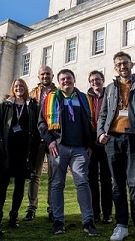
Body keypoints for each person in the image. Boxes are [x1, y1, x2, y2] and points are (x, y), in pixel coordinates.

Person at [97, 52, 135, 241]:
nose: (122, 66)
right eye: (118, 64)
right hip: (113, 139)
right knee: (117, 185)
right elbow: (103, 113)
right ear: (115, 67)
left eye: (125, 63)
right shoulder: (109, 88)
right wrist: (100, 133)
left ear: (131, 64)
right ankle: (121, 225)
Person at [38, 69, 100, 236]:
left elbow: (91, 123)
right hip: (59, 147)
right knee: (58, 184)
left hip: (80, 148)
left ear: (74, 79)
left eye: (69, 78)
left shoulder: (84, 98)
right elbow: (42, 124)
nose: (66, 81)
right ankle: (58, 221)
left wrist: (89, 144)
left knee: (82, 182)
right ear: (59, 82)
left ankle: (88, 221)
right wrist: (50, 141)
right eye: (63, 79)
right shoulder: (50, 99)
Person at [0, 79, 41, 229]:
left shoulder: (32, 106)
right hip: (8, 151)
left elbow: (36, 127)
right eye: (16, 86)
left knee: (19, 185)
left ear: (25, 88)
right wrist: (0, 145)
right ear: (13, 88)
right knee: (3, 185)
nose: (19, 88)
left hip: (24, 152)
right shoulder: (6, 105)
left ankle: (14, 216)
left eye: (21, 86)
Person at [24, 65, 57, 222]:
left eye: (48, 74)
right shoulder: (32, 94)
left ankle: (52, 208)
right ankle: (31, 208)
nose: (45, 76)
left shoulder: (58, 93)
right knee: (34, 175)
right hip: (36, 140)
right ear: (38, 77)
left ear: (52, 75)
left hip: (53, 139)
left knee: (53, 175)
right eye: (42, 74)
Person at [87, 70, 113, 224]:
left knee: (106, 180)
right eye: (92, 80)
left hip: (107, 142)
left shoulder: (109, 95)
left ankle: (107, 214)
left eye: (97, 79)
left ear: (102, 80)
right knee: (91, 180)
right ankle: (95, 212)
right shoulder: (86, 98)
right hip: (92, 144)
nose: (95, 82)